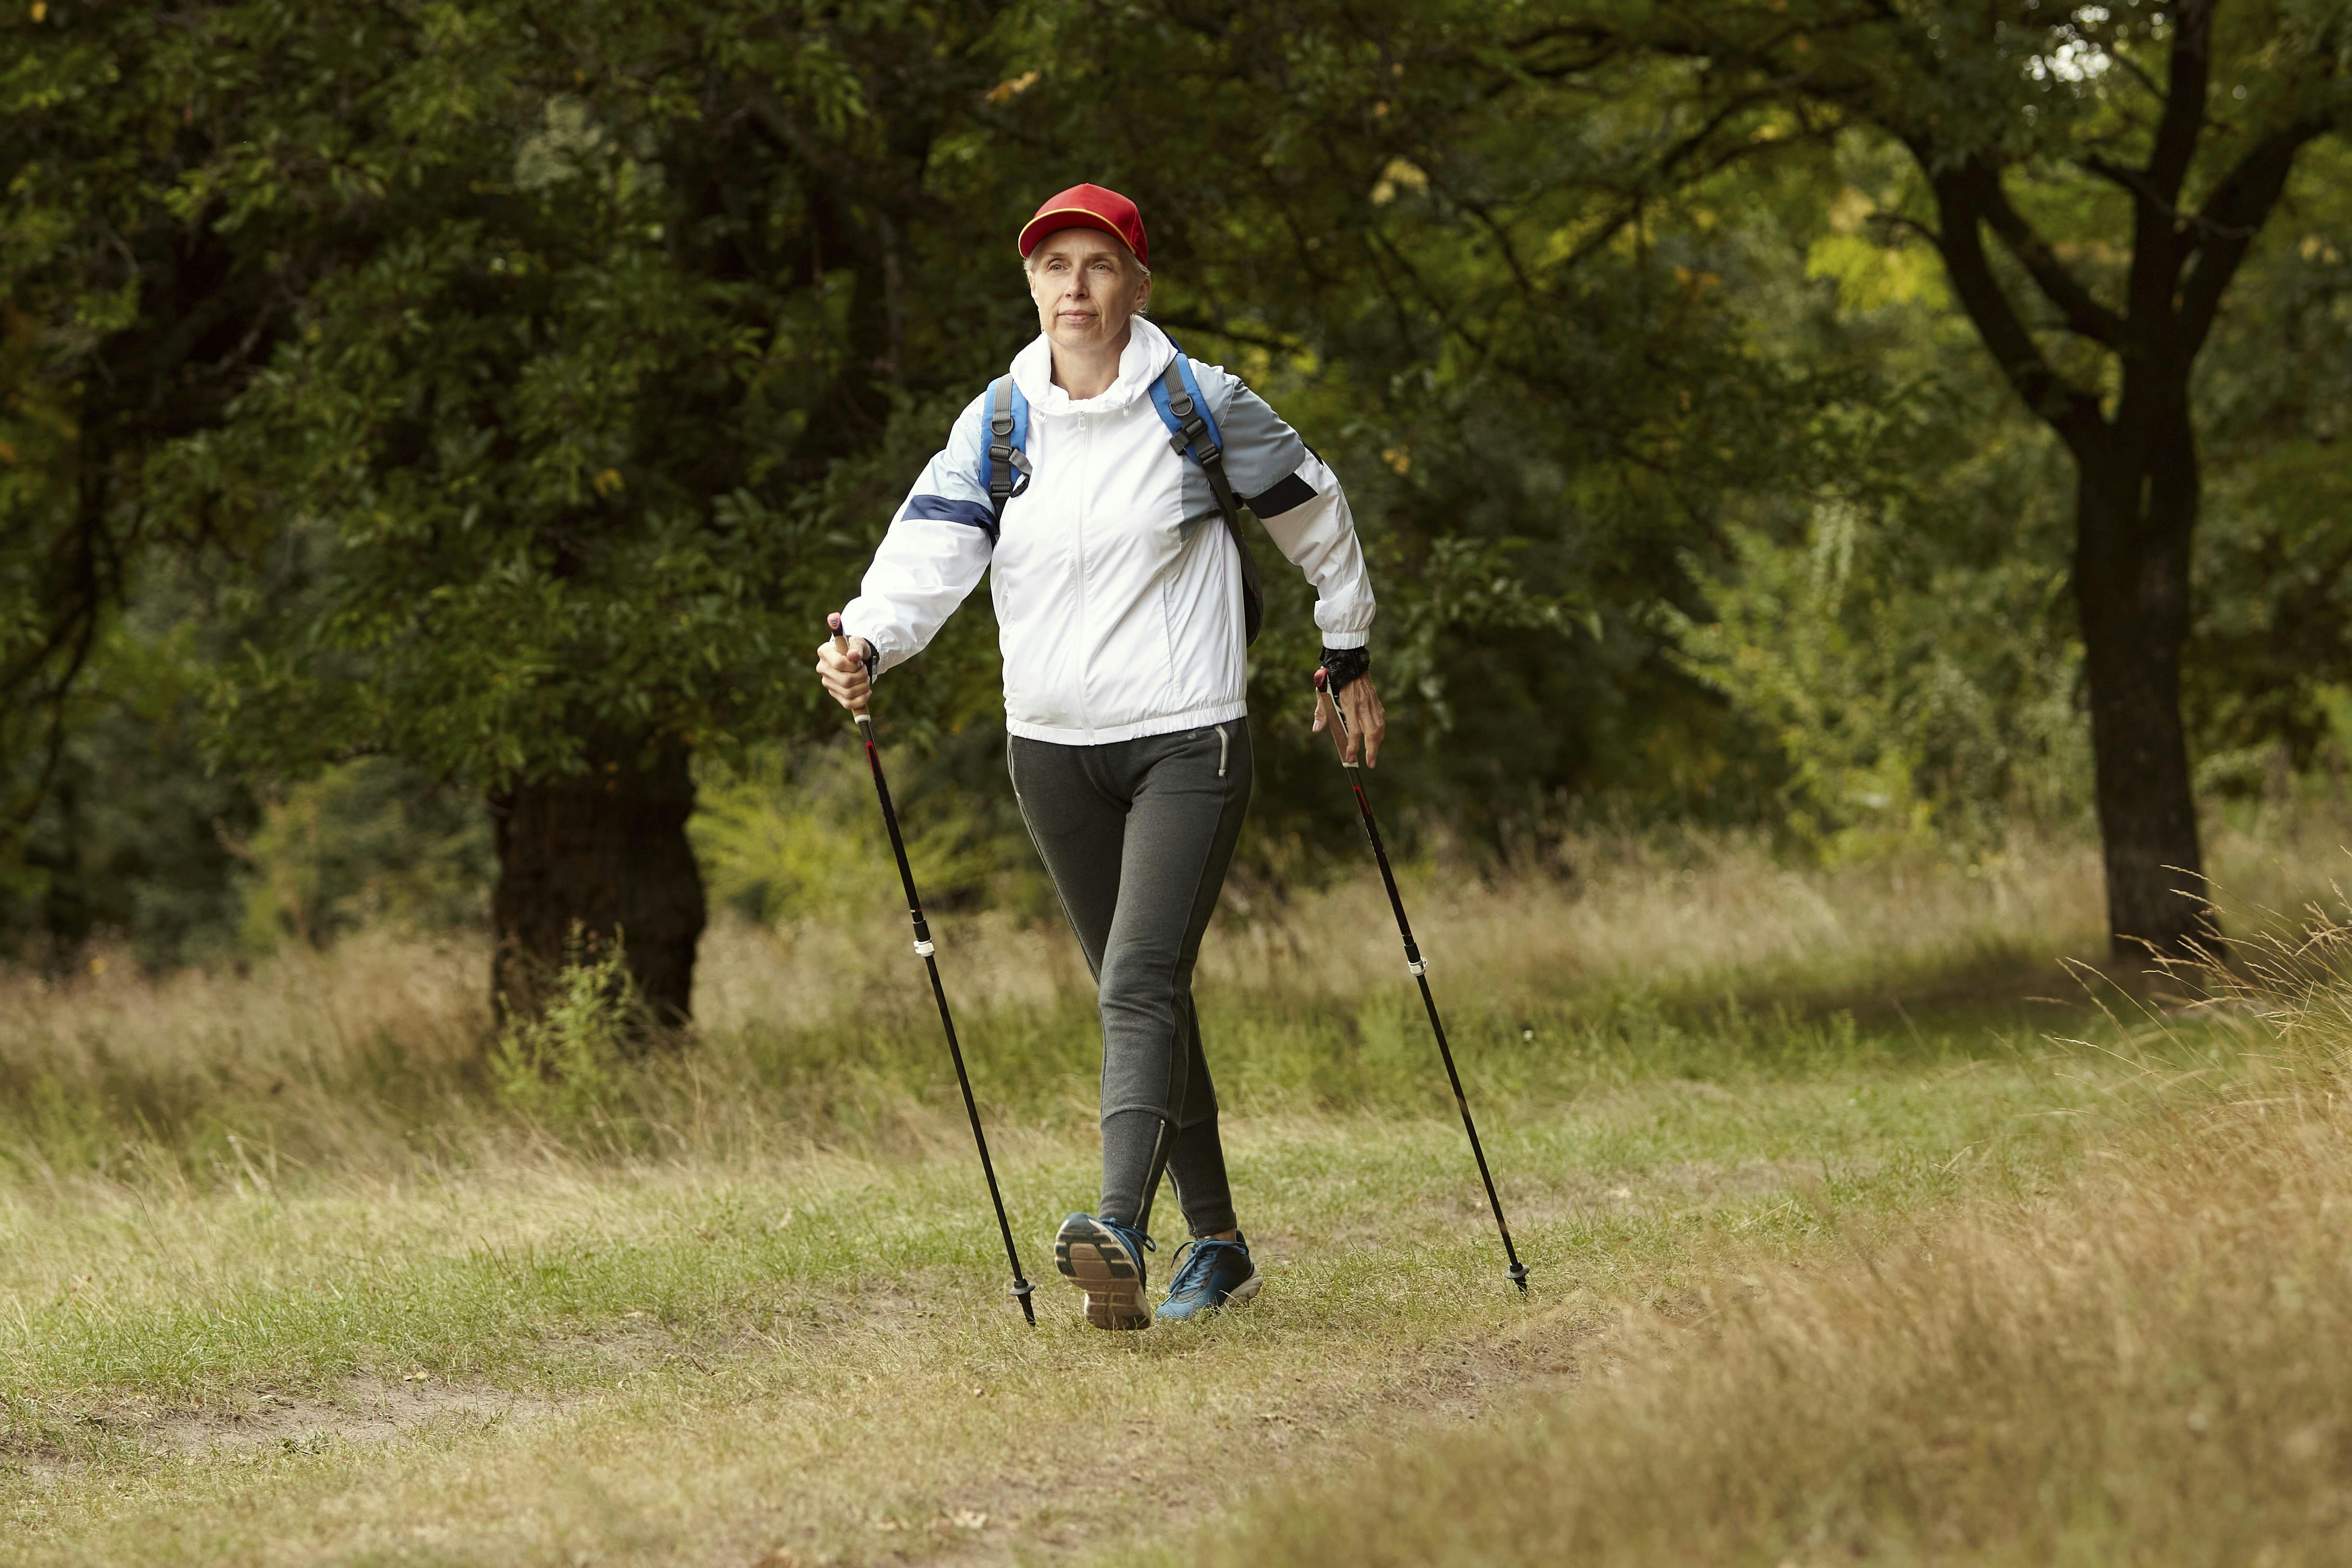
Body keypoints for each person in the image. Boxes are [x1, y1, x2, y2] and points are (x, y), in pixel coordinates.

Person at [814, 183, 1385, 1329]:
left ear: (1137, 284)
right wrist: (868, 635)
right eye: (1054, 266)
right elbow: (930, 550)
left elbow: (1318, 518)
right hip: (1053, 754)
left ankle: (1117, 1226)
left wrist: (1347, 652)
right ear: (1031, 284)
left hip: (1189, 736)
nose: (1076, 288)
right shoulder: (1000, 420)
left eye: (1099, 265)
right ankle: (1216, 1245)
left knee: (1134, 982)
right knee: (1145, 988)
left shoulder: (1200, 404)